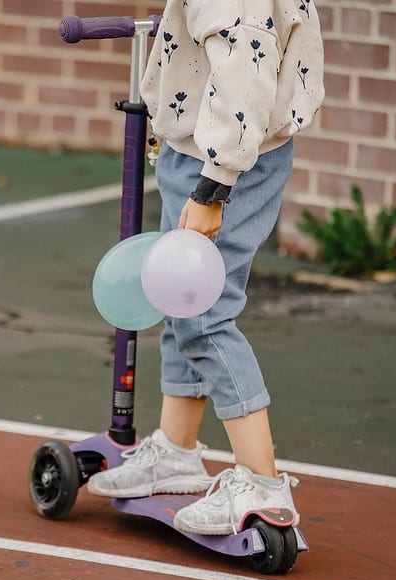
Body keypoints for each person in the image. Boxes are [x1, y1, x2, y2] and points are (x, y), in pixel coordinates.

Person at [88, 0, 325, 536]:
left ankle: (263, 483)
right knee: (180, 299)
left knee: (204, 316)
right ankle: (175, 450)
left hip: (223, 160)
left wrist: (213, 186)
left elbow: (243, 77)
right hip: (208, 149)